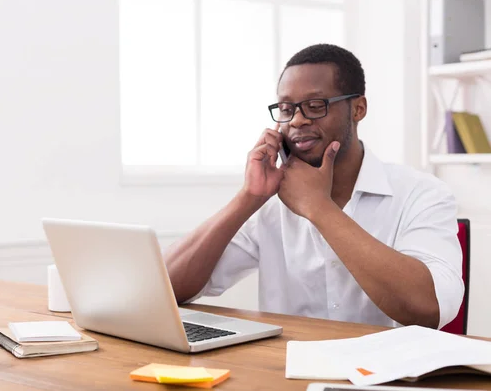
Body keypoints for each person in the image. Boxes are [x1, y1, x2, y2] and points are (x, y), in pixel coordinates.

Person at [164, 44, 464, 329]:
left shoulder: (422, 193)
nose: (296, 120)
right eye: (286, 108)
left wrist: (318, 207)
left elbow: (429, 308)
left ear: (358, 109)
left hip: (387, 378)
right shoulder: (268, 201)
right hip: (285, 374)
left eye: (314, 106)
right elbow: (164, 288)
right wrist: (248, 197)